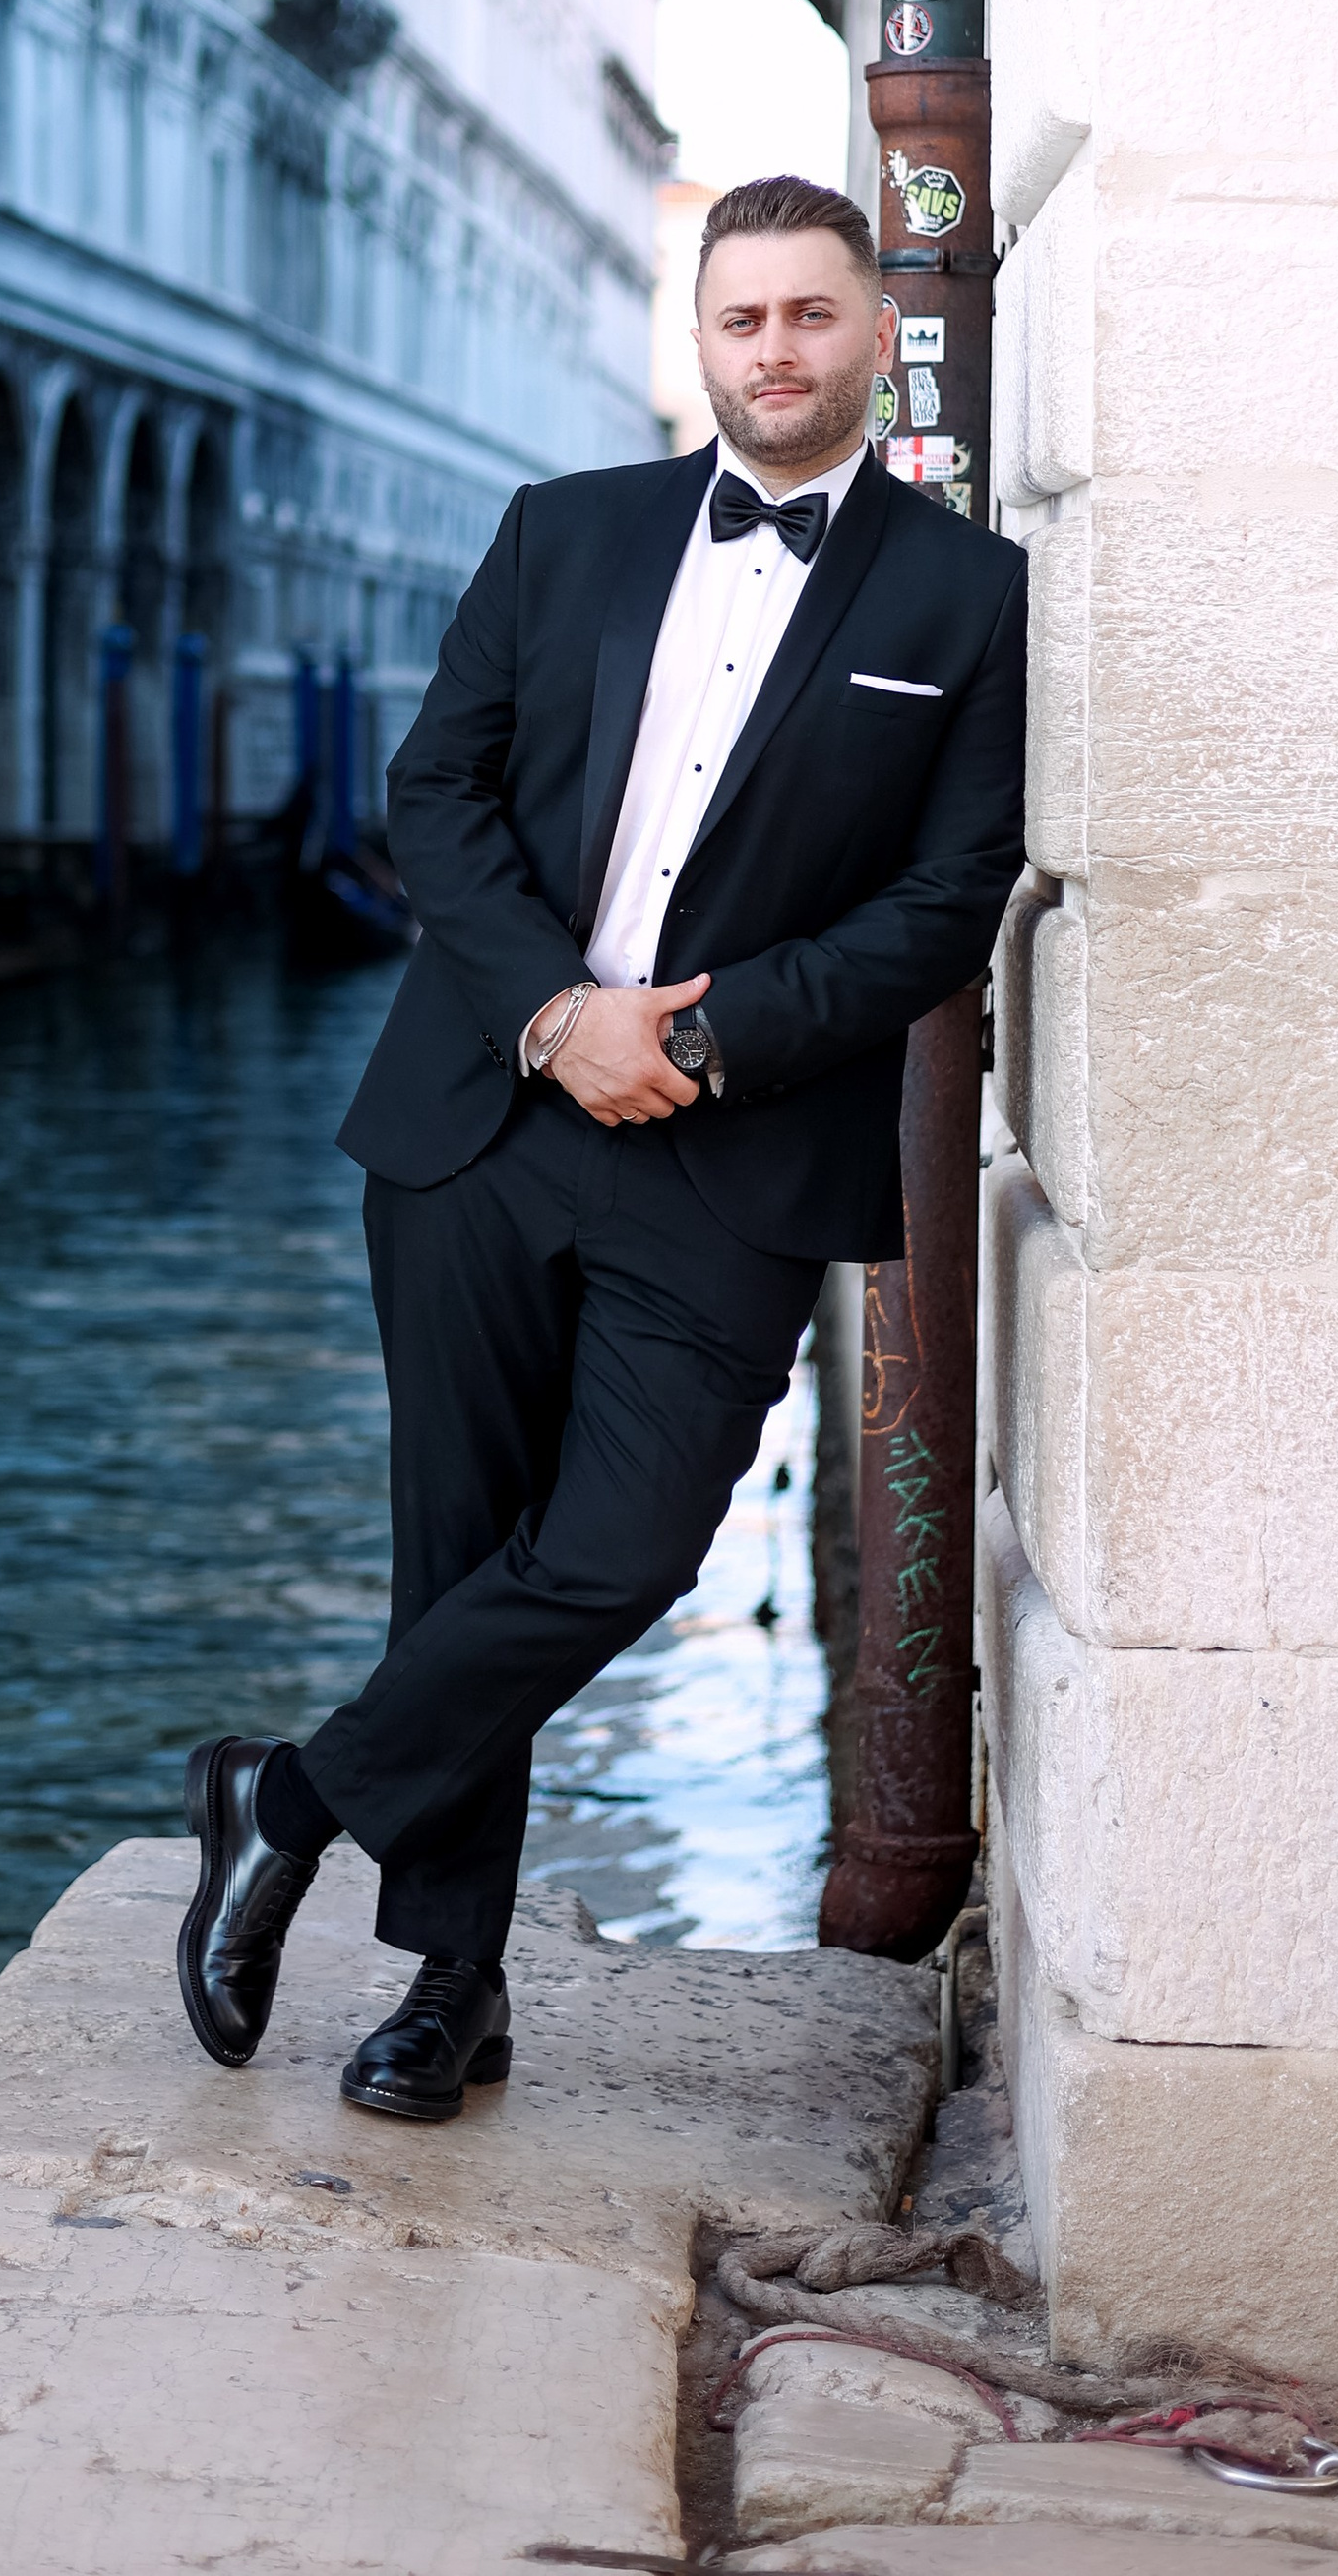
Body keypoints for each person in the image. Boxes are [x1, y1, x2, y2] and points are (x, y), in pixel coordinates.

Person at [176, 173, 1028, 2118]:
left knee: (623, 1547)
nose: (774, 352)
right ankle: (445, 1995)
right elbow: (433, 797)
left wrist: (704, 1039)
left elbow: (939, 900)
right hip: (485, 1110)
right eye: (740, 320)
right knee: (455, 1556)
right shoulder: (560, 533)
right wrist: (562, 1016)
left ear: (870, 335)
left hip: (726, 1154)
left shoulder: (960, 597)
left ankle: (283, 1800)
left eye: (810, 316)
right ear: (700, 337)